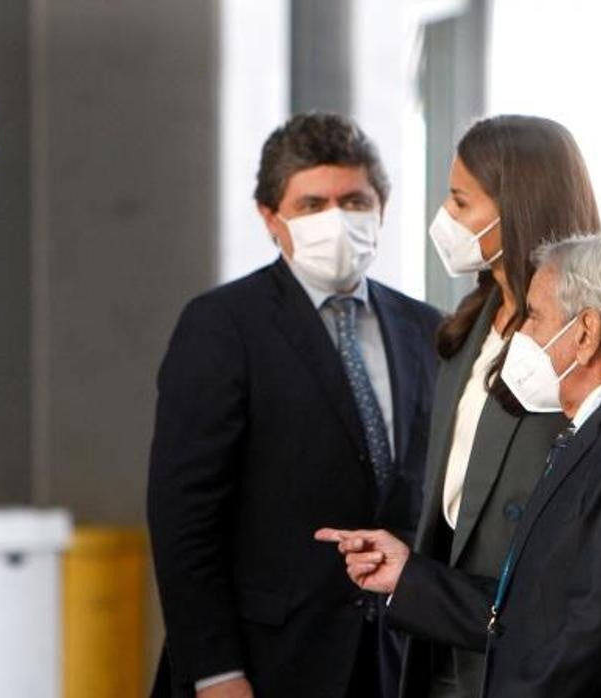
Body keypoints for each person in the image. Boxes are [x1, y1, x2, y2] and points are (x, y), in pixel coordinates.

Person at [319, 235, 601, 698]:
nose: (519, 335)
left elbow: (591, 626)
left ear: (586, 332)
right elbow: (539, 608)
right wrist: (410, 576)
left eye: (533, 315)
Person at [147, 112, 442, 698]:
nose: (336, 219)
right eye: (312, 205)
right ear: (270, 218)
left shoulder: (427, 329)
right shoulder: (223, 326)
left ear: (381, 205)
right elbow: (184, 519)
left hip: (394, 657)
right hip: (264, 662)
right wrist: (215, 670)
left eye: (354, 200)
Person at [394, 114, 601, 697]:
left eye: (462, 202)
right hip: (445, 630)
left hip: (525, 647)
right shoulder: (476, 316)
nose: (446, 219)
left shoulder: (585, 337)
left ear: (518, 208)